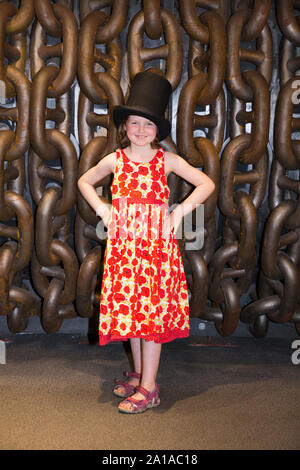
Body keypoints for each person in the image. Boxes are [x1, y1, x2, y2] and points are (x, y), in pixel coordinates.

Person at [77, 70, 215, 414]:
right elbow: (84, 181)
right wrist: (104, 211)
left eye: (148, 125)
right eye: (135, 123)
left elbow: (206, 184)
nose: (140, 130)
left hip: (155, 252)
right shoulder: (115, 160)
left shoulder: (165, 160)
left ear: (158, 130)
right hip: (125, 250)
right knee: (134, 314)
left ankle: (149, 388)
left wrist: (178, 213)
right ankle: (140, 375)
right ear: (124, 127)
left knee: (150, 317)